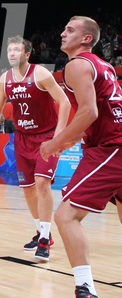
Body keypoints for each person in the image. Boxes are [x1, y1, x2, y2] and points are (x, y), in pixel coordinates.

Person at [40, 16, 122, 298]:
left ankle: (84, 288)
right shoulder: (104, 65)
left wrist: (55, 142)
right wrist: (68, 141)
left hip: (112, 148)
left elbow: (89, 113)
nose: (63, 34)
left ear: (86, 38)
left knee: (65, 217)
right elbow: (93, 118)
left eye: (70, 30)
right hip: (112, 143)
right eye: (63, 28)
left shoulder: (76, 65)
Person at [0, 35, 71, 263]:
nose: (12, 53)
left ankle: (44, 239)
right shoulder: (5, 79)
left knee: (42, 183)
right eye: (9, 50)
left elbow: (64, 102)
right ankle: (41, 231)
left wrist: (59, 136)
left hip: (45, 137)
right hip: (22, 139)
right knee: (27, 189)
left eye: (17, 50)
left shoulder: (41, 74)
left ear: (27, 54)